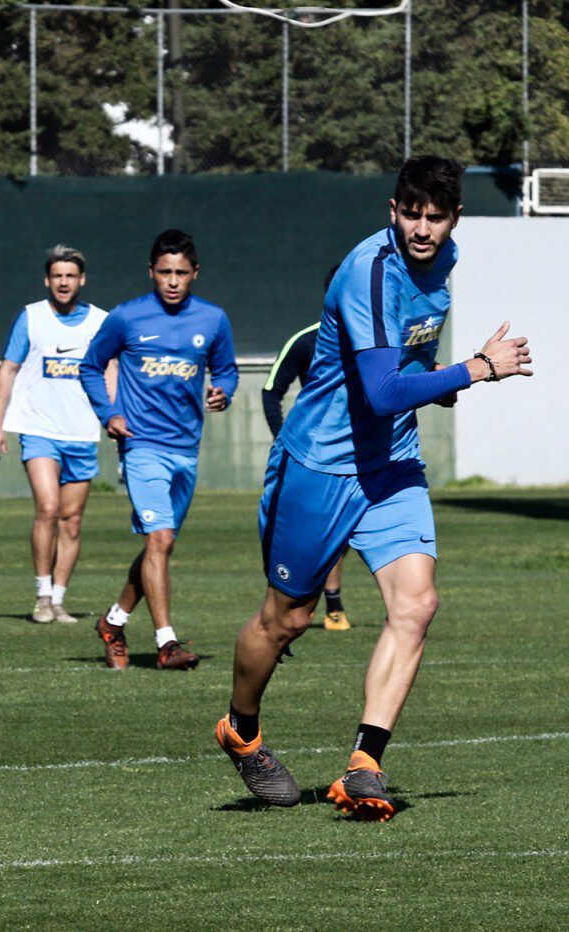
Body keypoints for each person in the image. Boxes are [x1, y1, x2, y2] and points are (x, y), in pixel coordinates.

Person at [216, 156, 532, 821]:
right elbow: (383, 391)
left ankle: (364, 765)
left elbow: (405, 359)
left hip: (391, 465)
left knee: (416, 605)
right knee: (286, 620)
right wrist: (475, 369)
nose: (422, 229)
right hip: (321, 467)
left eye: (435, 217)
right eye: (410, 214)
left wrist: (438, 380)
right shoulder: (369, 270)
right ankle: (240, 729)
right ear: (393, 211)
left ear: (455, 219)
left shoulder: (444, 262)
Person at [79, 230, 238, 671]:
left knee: (159, 547)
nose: (172, 281)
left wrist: (223, 390)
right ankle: (167, 644)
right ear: (151, 272)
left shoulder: (213, 319)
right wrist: (109, 413)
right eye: (165, 272)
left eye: (181, 273)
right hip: (141, 445)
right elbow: (90, 366)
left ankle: (112, 623)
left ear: (195, 273)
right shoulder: (126, 317)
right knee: (160, 539)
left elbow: (226, 369)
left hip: (186, 449)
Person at [0, 245, 113, 624]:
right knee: (48, 508)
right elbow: (8, 369)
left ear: (82, 280)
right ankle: (42, 596)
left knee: (71, 521)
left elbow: (111, 369)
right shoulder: (31, 318)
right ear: (47, 280)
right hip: (38, 428)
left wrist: (113, 416)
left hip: (81, 431)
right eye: (57, 275)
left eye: (70, 275)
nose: (63, 282)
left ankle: (59, 599)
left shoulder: (101, 321)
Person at [262, 269, 355, 632]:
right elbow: (271, 390)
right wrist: (282, 438)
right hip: (314, 459)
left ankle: (334, 604)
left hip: (363, 455)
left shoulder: (380, 341)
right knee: (314, 533)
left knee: (344, 536)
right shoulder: (306, 341)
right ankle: (305, 603)